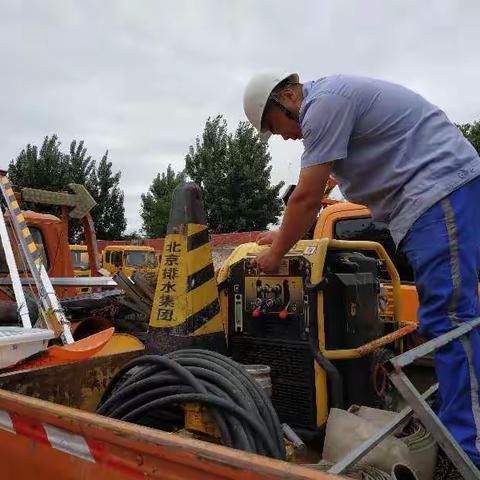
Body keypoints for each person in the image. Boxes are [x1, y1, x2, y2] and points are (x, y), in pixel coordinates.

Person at [243, 72, 480, 465]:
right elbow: (319, 188)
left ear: (287, 96)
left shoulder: (323, 106)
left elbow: (304, 196)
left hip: (437, 195)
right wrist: (282, 232)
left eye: (275, 125)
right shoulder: (334, 101)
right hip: (436, 198)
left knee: (449, 321)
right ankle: (459, 427)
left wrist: (274, 256)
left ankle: (467, 450)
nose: (284, 137)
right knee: (449, 320)